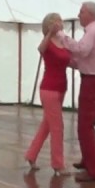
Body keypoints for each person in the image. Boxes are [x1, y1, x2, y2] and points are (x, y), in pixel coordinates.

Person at [51, 1, 95, 183]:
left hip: (92, 81)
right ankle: (88, 161)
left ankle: (94, 171)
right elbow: (91, 58)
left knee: (84, 126)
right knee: (87, 124)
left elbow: (81, 50)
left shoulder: (94, 31)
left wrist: (62, 36)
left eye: (81, 12)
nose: (79, 15)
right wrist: (68, 61)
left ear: (91, 14)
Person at [24, 13, 71, 175]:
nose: (60, 23)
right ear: (50, 24)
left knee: (47, 125)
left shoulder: (64, 41)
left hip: (61, 87)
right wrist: (50, 33)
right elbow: (40, 49)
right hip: (49, 88)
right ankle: (58, 165)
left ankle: (31, 155)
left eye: (60, 20)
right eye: (57, 20)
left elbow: (70, 59)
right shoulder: (48, 42)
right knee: (58, 127)